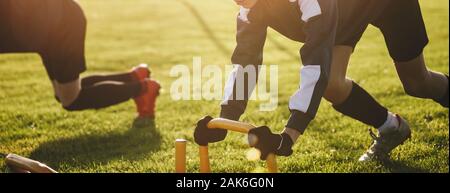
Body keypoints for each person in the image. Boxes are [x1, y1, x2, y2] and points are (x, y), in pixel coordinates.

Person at [195, 0, 448, 163]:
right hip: (345, 12)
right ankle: (393, 128)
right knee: (332, 86)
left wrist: (289, 135)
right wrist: (225, 118)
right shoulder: (248, 9)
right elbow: (245, 62)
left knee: (417, 83)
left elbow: (315, 65)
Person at [0, 0, 161, 119]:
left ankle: (144, 89)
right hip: (47, 30)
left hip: (62, 26)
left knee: (71, 99)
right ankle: (134, 77)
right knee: (62, 94)